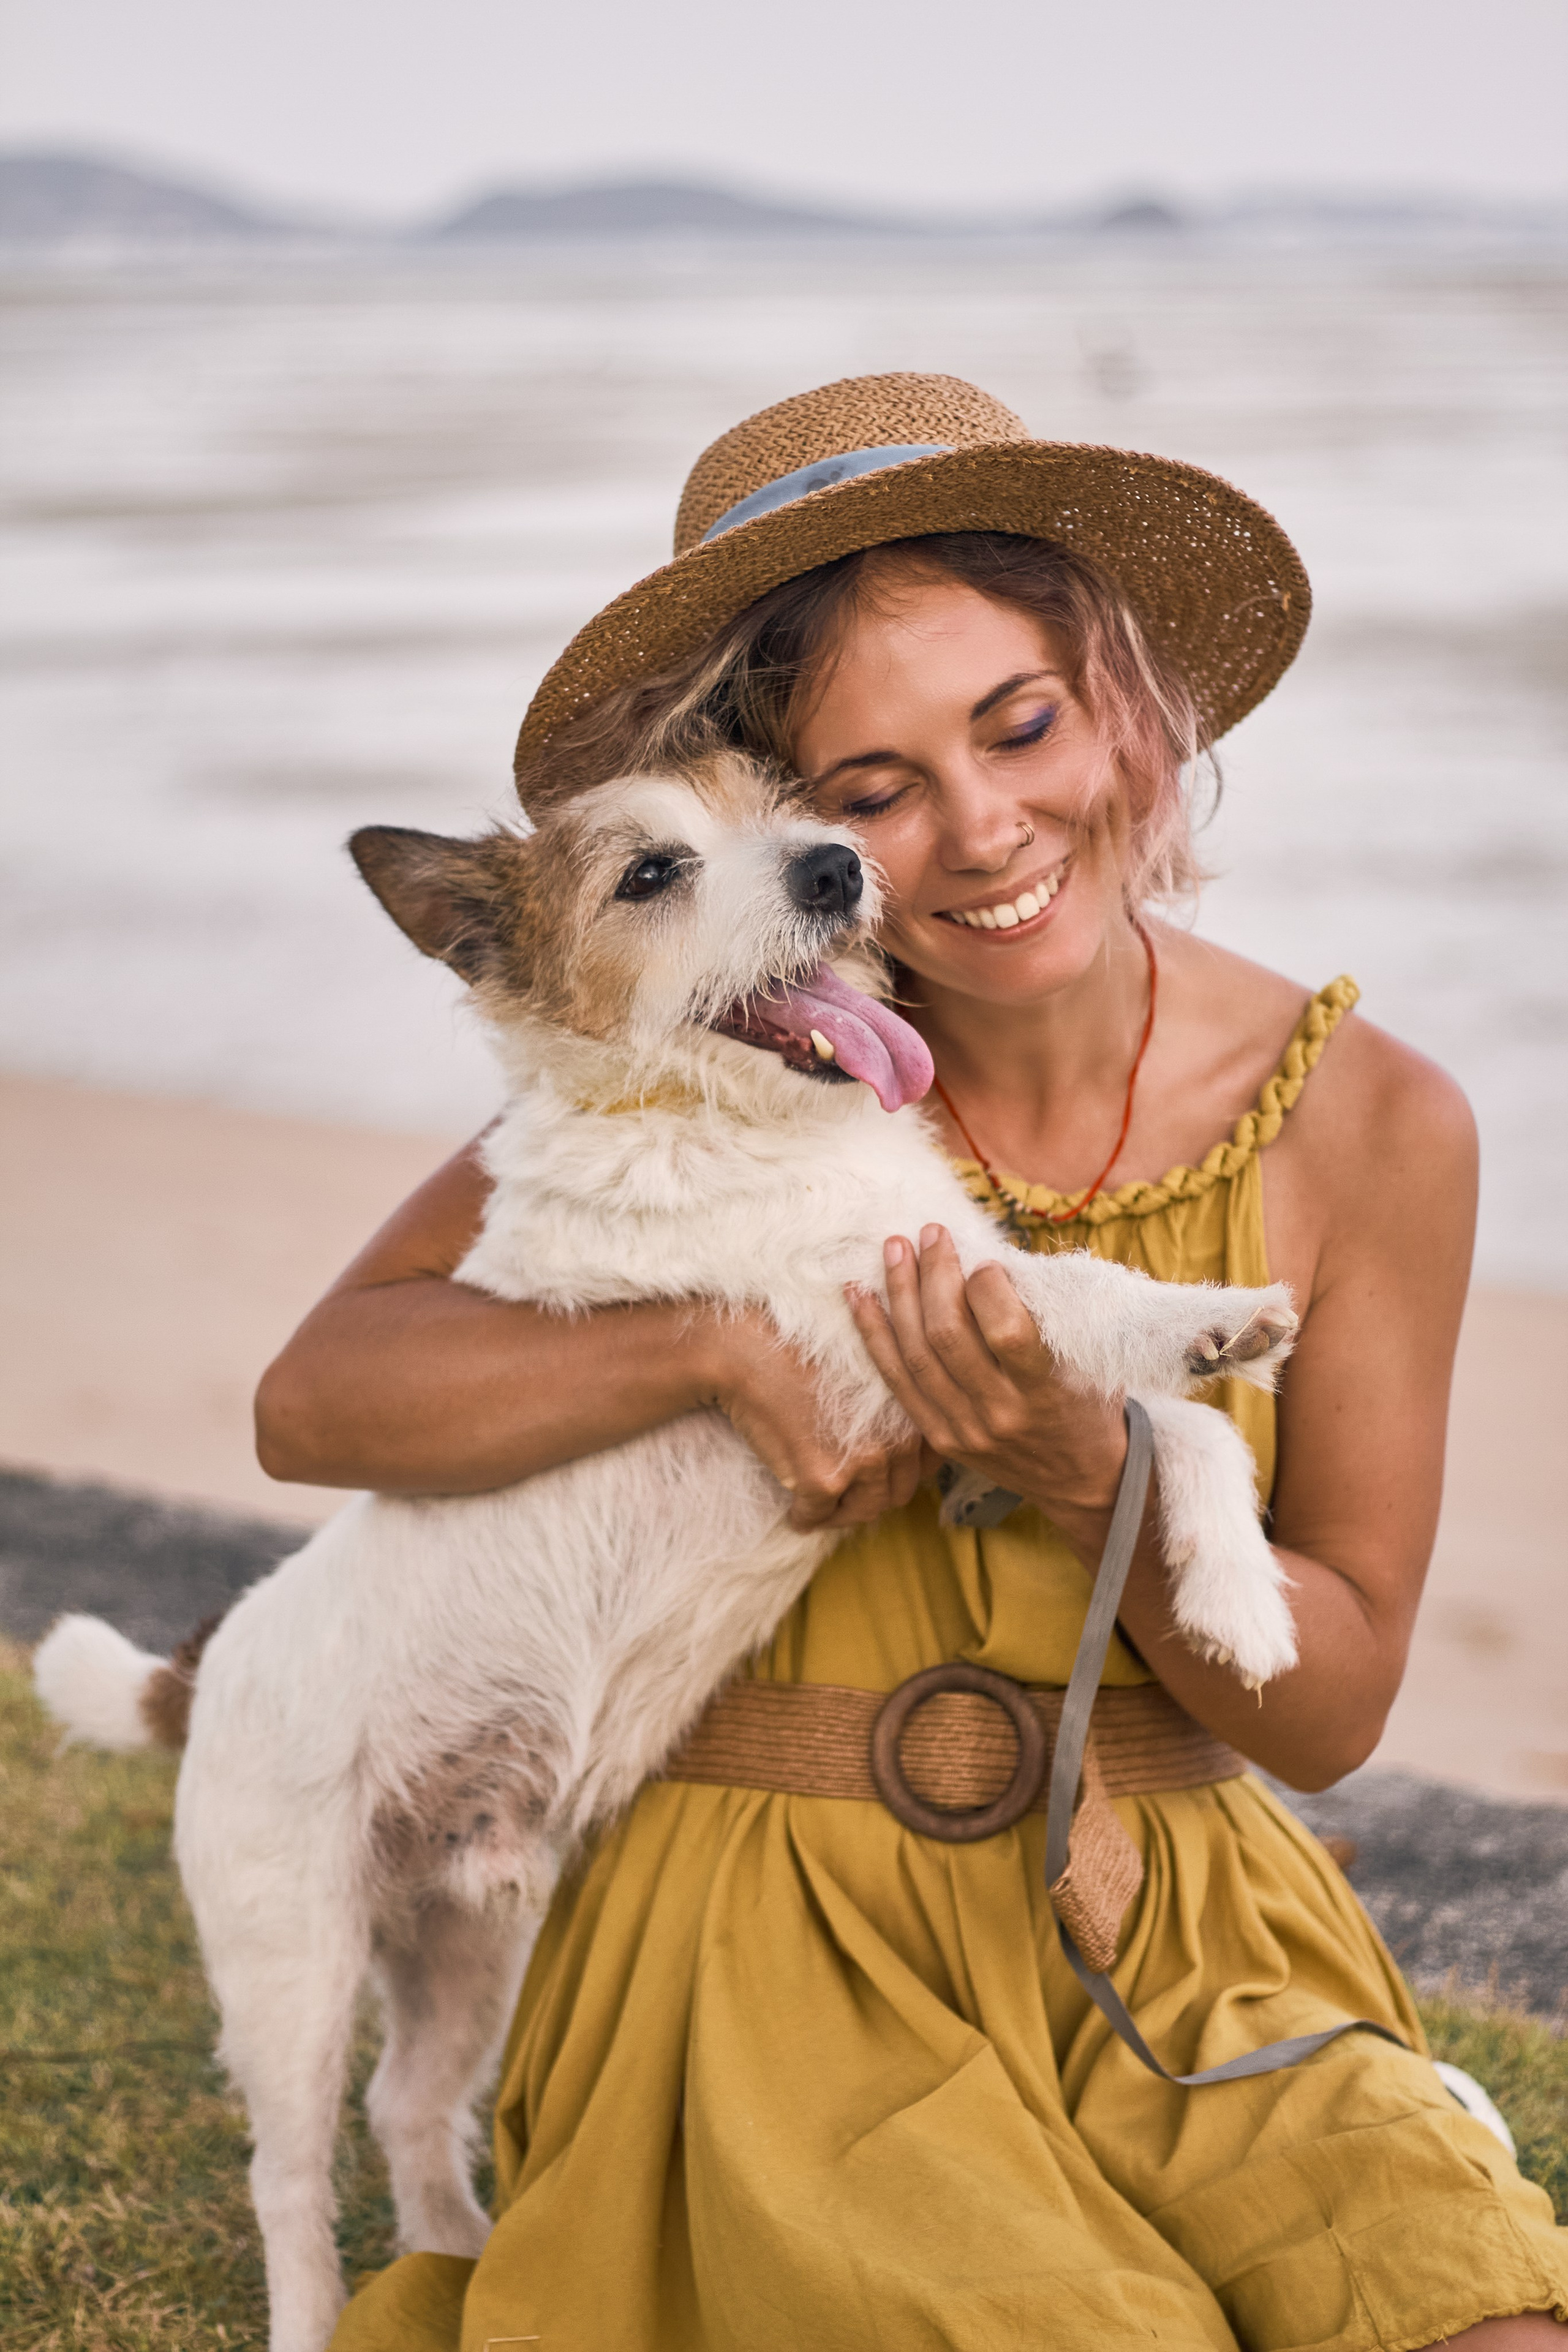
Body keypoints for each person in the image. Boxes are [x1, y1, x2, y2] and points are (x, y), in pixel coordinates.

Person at [258, 375, 1567, 2349]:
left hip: (1182, 1922)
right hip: (763, 1926)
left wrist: (1085, 1472)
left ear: (1129, 700)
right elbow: (318, 1400)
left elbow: (1332, 1709)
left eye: (1020, 724)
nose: (976, 830)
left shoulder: (1375, 1125)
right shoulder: (707, 1100)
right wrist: (704, 1349)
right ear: (774, 825)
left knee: (1475, 2315)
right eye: (868, 789)